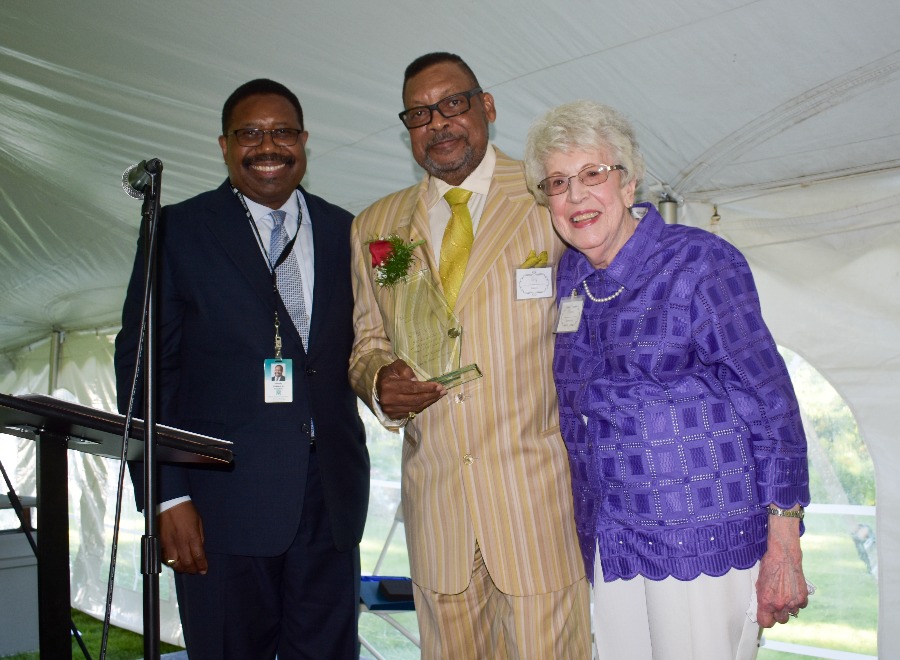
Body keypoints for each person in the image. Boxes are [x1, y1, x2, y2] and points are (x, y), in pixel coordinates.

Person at [523, 100, 811, 660]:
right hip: (612, 540)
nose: (576, 196)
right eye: (558, 183)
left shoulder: (700, 263)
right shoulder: (571, 277)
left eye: (592, 175)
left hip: (698, 538)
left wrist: (786, 542)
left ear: (629, 183)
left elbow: (770, 403)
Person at [114, 79, 369, 659]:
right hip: (219, 506)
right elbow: (144, 369)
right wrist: (166, 498)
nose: (267, 146)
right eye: (249, 133)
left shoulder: (343, 229)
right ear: (224, 146)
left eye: (282, 132)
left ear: (304, 141)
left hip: (329, 502)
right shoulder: (177, 230)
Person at [349, 53, 590, 658]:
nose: (438, 123)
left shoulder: (547, 200)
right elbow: (366, 342)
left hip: (537, 505)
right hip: (439, 514)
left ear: (486, 107)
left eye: (453, 104)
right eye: (420, 113)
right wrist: (379, 382)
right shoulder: (376, 225)